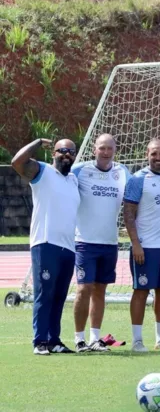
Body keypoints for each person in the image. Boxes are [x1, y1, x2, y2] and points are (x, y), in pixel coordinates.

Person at [12, 136, 80, 355]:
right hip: (45, 243)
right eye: (62, 150)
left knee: (59, 296)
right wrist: (37, 142)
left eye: (70, 151)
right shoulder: (42, 171)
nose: (66, 154)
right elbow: (17, 162)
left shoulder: (74, 180)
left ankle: (54, 340)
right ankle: (40, 341)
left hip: (68, 246)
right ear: (54, 154)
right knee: (45, 293)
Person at [71, 133, 128, 352]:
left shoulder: (122, 173)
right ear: (94, 149)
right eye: (101, 148)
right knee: (84, 288)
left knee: (101, 290)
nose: (105, 152)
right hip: (85, 241)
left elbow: (139, 192)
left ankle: (95, 338)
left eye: (109, 148)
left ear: (115, 150)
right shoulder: (81, 170)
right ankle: (79, 339)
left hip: (109, 243)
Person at [123, 139, 160, 353]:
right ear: (147, 154)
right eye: (154, 154)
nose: (158, 158)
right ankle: (137, 341)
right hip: (145, 246)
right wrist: (136, 244)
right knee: (141, 291)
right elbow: (128, 214)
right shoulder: (138, 180)